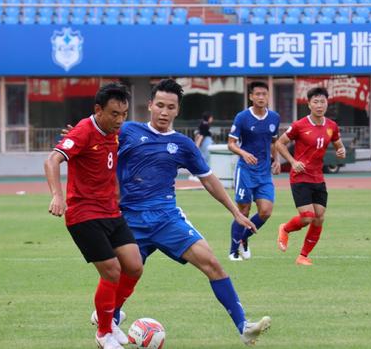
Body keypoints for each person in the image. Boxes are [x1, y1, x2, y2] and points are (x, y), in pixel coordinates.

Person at [116, 79, 271, 346]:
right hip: (130, 220)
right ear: (150, 105)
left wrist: (236, 212)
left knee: (212, 263)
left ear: (178, 110)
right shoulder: (128, 131)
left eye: (171, 107)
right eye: (160, 105)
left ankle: (244, 326)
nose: (164, 112)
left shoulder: (183, 144)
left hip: (167, 219)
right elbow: (98, 144)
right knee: (122, 276)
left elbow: (209, 179)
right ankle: (110, 319)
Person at [44, 83, 143, 349]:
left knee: (134, 266)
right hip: (83, 213)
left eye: (123, 113)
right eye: (114, 114)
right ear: (98, 110)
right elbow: (52, 160)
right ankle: (102, 333)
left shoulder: (114, 131)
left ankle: (108, 320)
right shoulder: (84, 130)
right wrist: (57, 195)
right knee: (112, 271)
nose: (120, 120)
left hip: (110, 210)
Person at [274, 87, 346, 266]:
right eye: (316, 102)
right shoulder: (299, 125)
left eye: (322, 102)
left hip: (318, 177)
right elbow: (279, 143)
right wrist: (292, 161)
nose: (319, 105)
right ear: (309, 104)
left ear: (327, 104)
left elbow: (338, 144)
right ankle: (285, 228)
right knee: (307, 217)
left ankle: (303, 256)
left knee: (319, 216)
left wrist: (341, 150)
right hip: (300, 176)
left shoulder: (331, 126)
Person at [226, 81, 281, 261]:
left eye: (264, 94)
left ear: (268, 96)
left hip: (264, 173)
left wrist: (277, 160)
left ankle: (243, 238)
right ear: (251, 97)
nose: (261, 97)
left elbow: (274, 142)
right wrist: (244, 153)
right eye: (257, 94)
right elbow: (231, 144)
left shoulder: (274, 117)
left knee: (266, 211)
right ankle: (233, 252)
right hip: (246, 171)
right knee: (244, 211)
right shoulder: (242, 117)